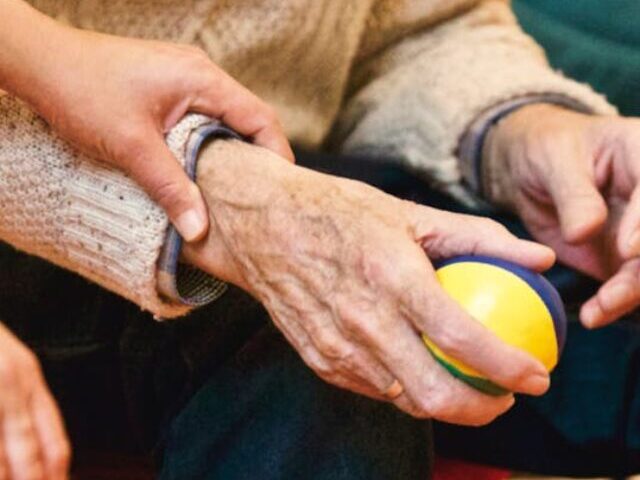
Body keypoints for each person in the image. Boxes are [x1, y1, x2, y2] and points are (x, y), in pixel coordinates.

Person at [1, 0, 640, 479]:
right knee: (308, 338)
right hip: (38, 205)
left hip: (286, 170)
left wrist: (520, 131)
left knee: (617, 298)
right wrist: (221, 197)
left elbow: (410, 29)